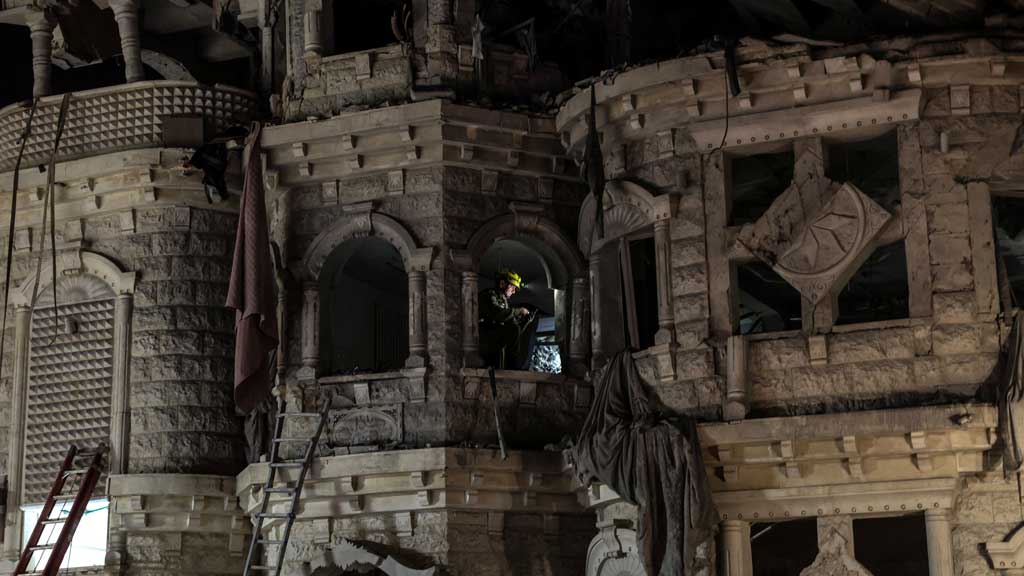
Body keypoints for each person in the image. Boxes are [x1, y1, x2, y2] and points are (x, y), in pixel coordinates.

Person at [479, 269, 536, 369]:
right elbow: (497, 314)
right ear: (502, 283)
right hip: (485, 339)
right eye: (512, 287)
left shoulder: (503, 302)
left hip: (496, 345)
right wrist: (518, 311)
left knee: (514, 328)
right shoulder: (488, 295)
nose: (514, 291)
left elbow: (513, 330)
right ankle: (512, 367)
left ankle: (511, 367)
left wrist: (525, 321)